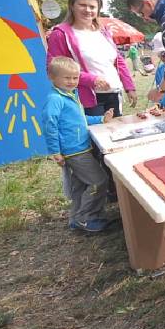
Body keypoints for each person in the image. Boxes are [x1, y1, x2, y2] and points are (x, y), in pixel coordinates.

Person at [42, 57, 115, 233]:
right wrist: (55, 151)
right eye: (67, 78)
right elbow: (49, 124)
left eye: (75, 78)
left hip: (81, 147)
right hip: (74, 151)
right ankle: (86, 218)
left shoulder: (70, 96)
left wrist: (100, 119)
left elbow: (80, 120)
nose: (72, 82)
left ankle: (77, 218)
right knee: (99, 181)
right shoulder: (55, 99)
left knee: (80, 186)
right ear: (52, 77)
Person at [46, 0, 137, 116]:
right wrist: (91, 80)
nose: (88, 10)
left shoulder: (103, 31)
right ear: (72, 6)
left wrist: (129, 87)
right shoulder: (60, 34)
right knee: (94, 134)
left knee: (116, 133)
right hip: (87, 98)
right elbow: (54, 68)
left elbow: (118, 60)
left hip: (114, 93)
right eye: (82, 5)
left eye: (92, 7)